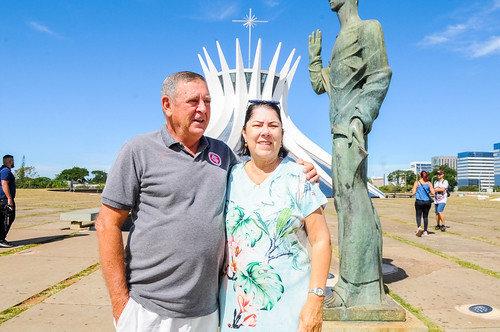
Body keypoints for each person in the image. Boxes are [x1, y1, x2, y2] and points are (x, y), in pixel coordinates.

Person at [95, 72, 318, 332]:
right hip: (149, 309)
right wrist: (120, 302)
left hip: (207, 312)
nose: (203, 109)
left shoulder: (222, 154)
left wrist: (297, 167)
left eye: (208, 101)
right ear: (167, 105)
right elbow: (107, 224)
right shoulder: (138, 151)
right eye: (193, 101)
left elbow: (261, 167)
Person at [219, 101, 332, 332]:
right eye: (257, 124)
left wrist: (315, 301)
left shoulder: (300, 177)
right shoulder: (228, 178)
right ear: (244, 132)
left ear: (282, 133)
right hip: (237, 310)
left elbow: (321, 241)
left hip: (290, 310)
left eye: (273, 125)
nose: (265, 132)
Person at [308, 0, 392, 308]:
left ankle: (358, 286)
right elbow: (323, 86)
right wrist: (314, 60)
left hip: (352, 131)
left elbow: (380, 75)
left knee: (354, 201)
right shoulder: (339, 40)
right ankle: (355, 283)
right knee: (345, 203)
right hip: (338, 132)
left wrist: (362, 115)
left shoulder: (369, 29)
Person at [411, 171, 435, 237]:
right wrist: (428, 192)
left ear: (420, 175)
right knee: (425, 216)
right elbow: (433, 193)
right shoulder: (429, 183)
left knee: (418, 215)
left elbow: (413, 192)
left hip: (419, 201)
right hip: (427, 202)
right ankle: (425, 231)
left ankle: (419, 227)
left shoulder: (417, 183)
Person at [0, 155, 16, 248]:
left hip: (3, 199)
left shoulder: (3, 170)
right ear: (10, 161)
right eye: (13, 160)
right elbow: (4, 183)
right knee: (8, 218)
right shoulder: (5, 171)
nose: (14, 162)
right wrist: (9, 198)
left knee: (2, 219)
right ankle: (1, 239)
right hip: (4, 199)